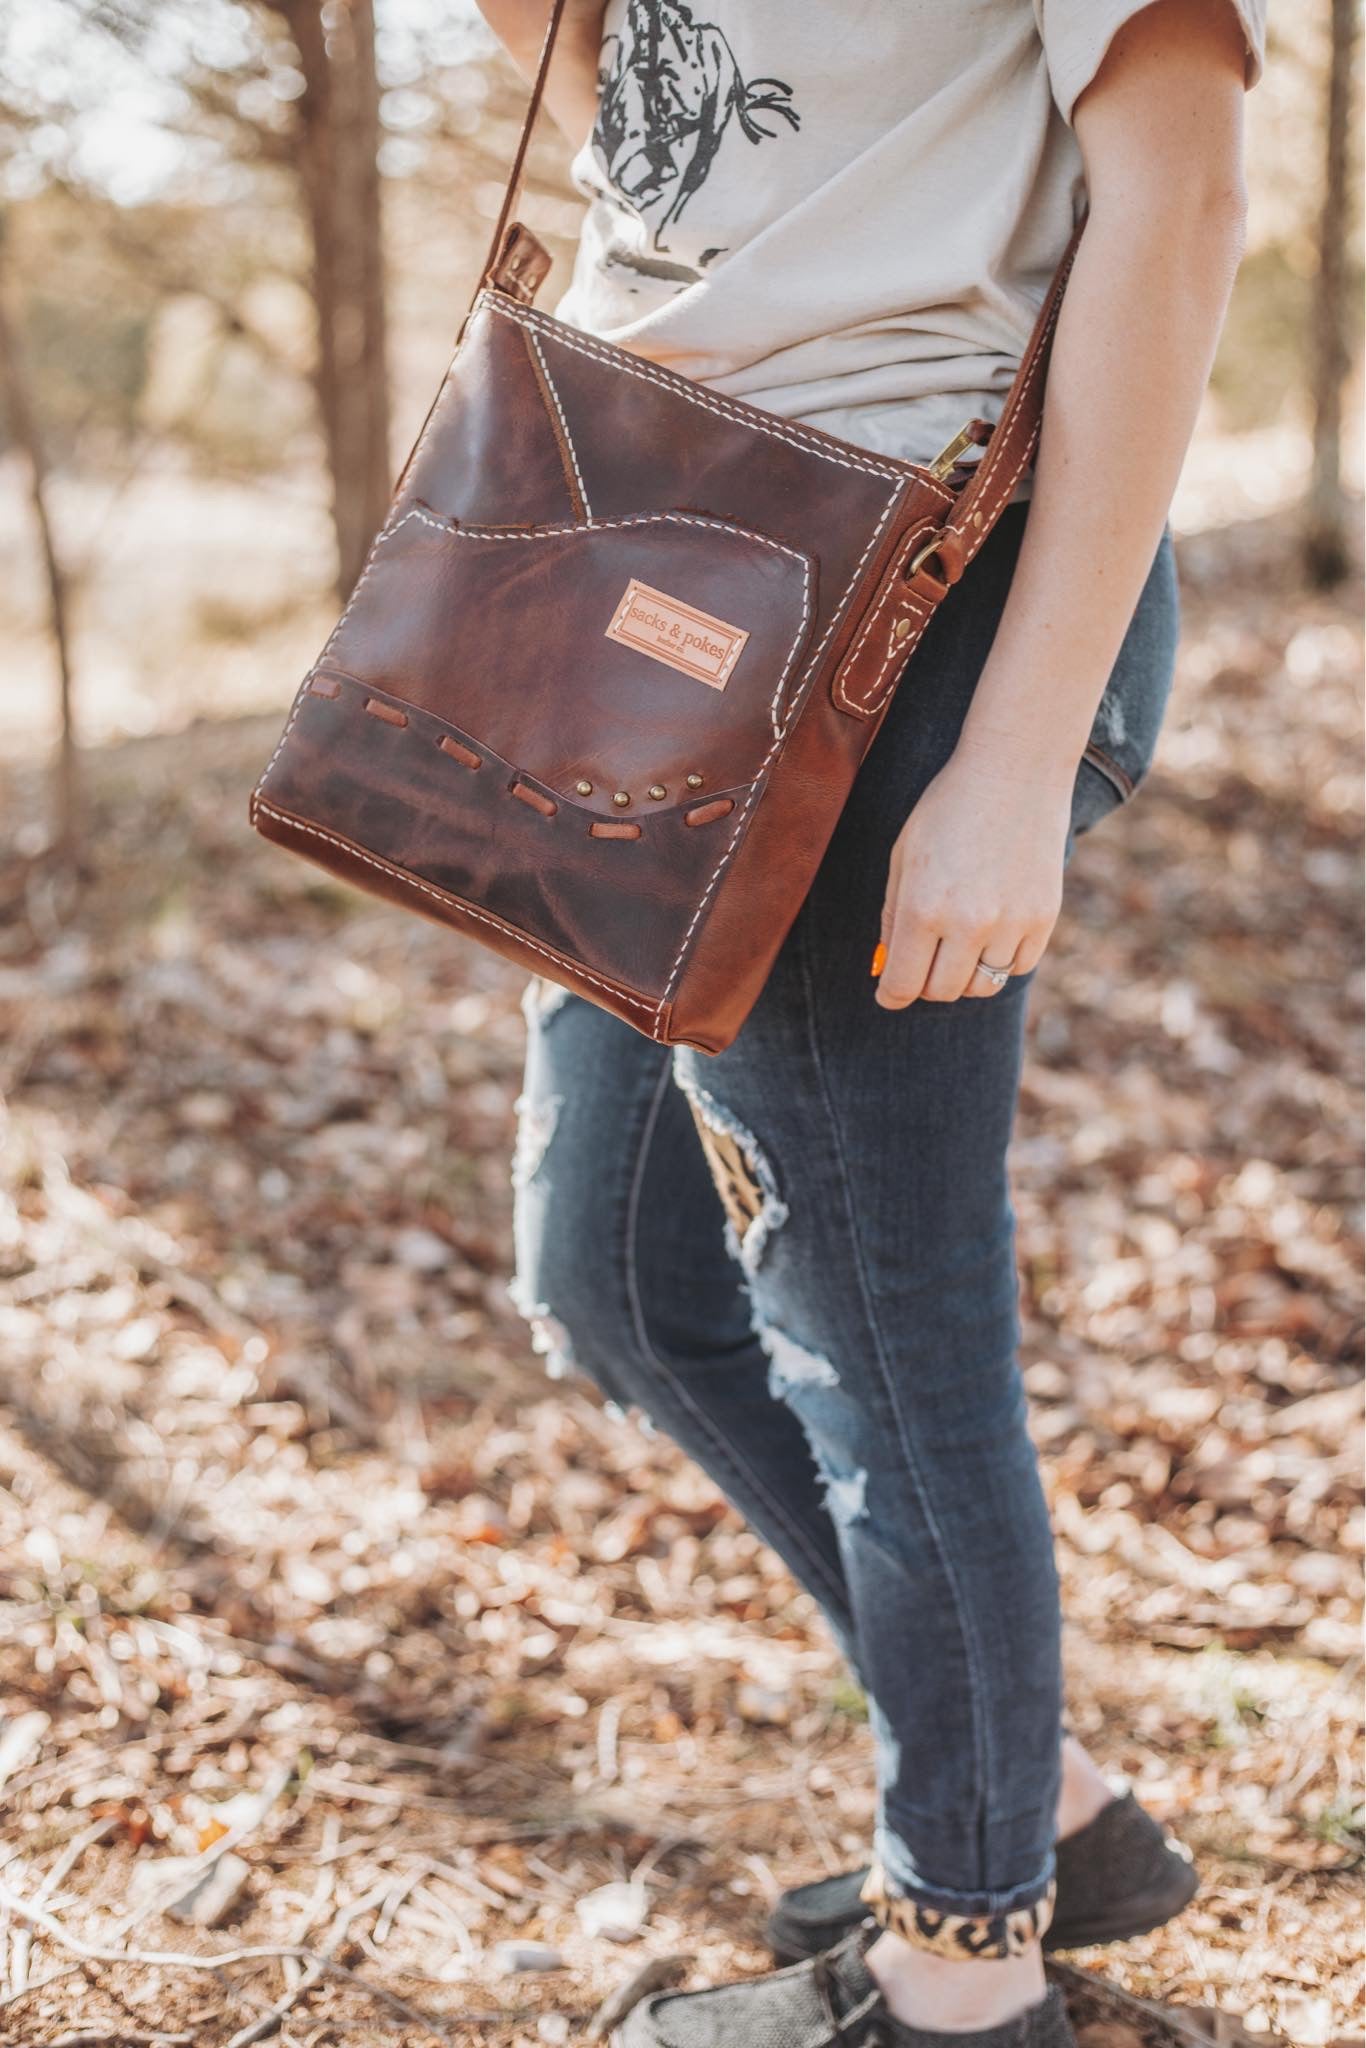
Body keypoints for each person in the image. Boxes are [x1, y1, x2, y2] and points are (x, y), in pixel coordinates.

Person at [481, 2, 1266, 2042]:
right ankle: (1039, 1803)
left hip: (913, 587)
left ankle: (959, 1973)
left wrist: (1008, 758)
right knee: (619, 1279)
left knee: (881, 1345)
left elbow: (1175, 197)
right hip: (662, 559)